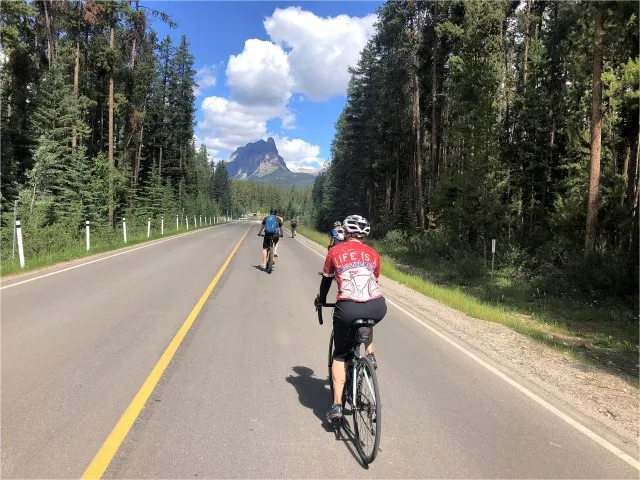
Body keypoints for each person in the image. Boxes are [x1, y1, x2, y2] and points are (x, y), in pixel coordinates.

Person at [315, 214, 387, 423]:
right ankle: (370, 355)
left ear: (345, 232)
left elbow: (326, 281)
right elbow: (373, 278)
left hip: (347, 308)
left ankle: (337, 406)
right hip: (377, 306)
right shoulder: (373, 254)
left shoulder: (335, 251)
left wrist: (321, 299)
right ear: (364, 235)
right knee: (368, 316)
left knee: (340, 355)